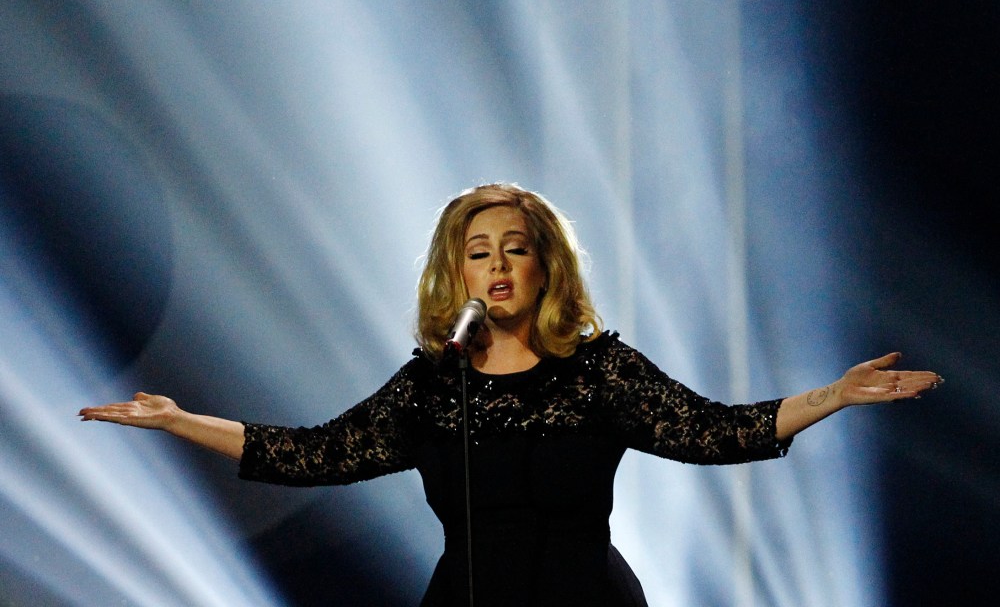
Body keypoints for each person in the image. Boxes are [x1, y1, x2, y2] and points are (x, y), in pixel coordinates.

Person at [79, 183, 943, 606]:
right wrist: (178, 420)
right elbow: (315, 454)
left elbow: (712, 431)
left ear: (546, 264)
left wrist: (833, 394)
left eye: (514, 248)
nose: (496, 265)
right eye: (478, 250)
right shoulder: (431, 384)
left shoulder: (601, 370)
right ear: (456, 270)